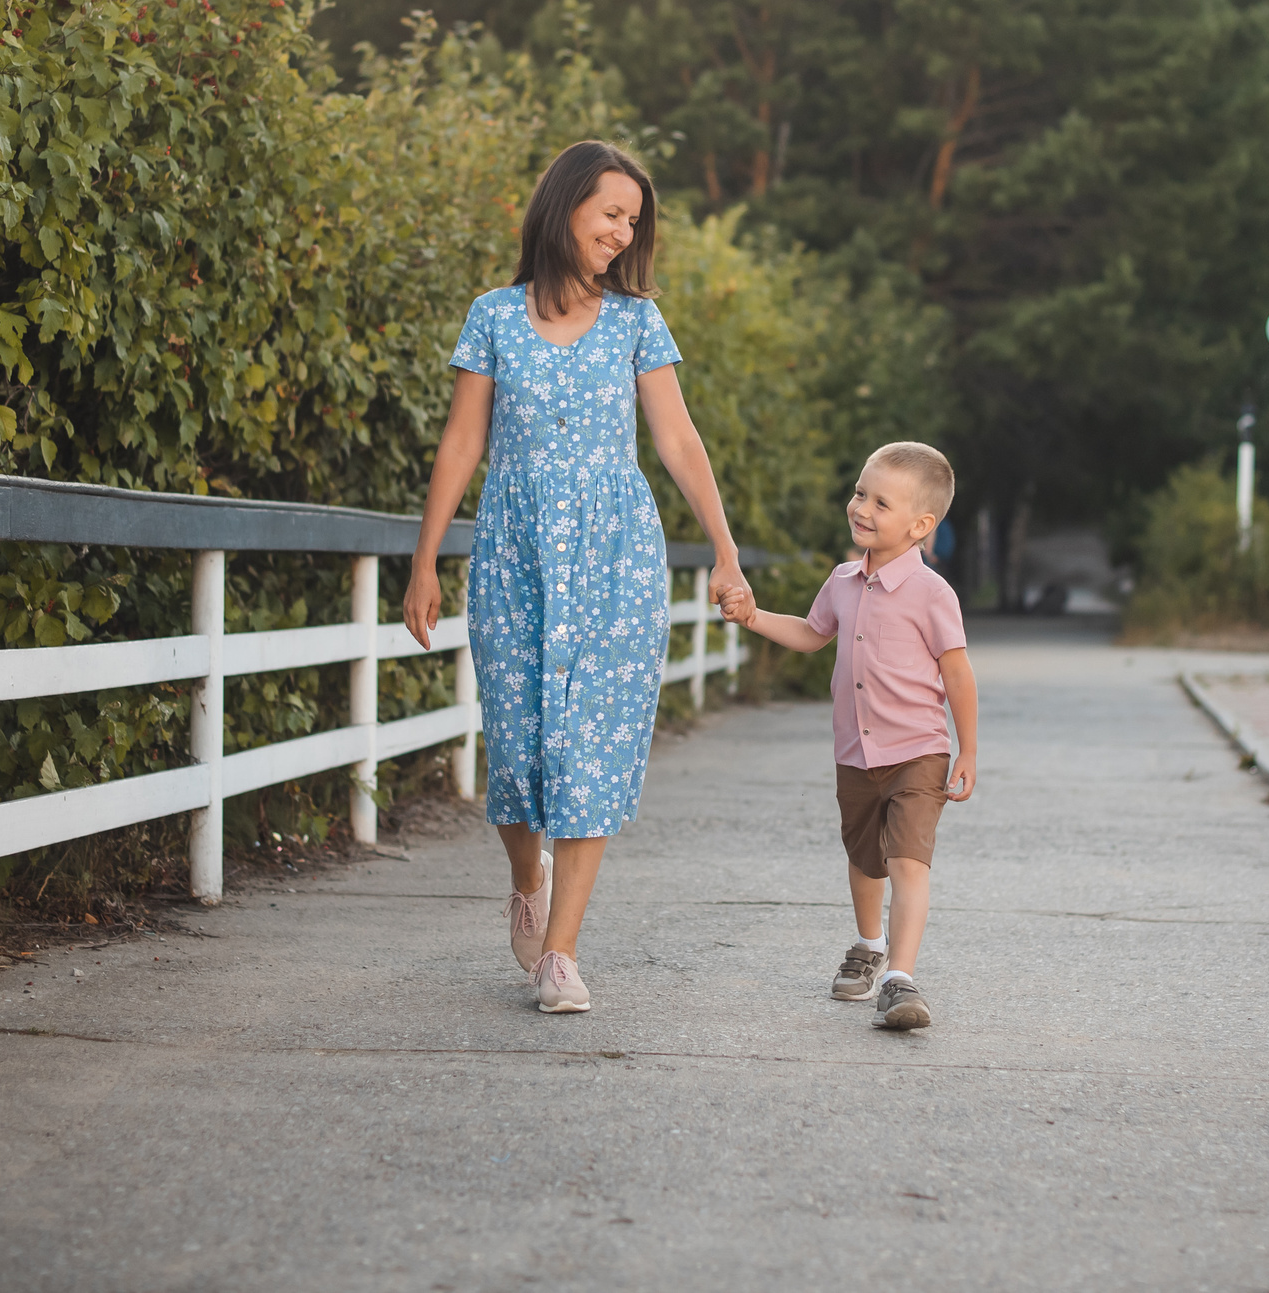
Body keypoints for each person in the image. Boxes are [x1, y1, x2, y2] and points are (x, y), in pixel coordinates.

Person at [403, 141, 751, 1015]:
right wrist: (424, 560)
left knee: (592, 743)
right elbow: (462, 443)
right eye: (611, 213)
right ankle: (529, 873)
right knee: (517, 746)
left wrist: (725, 546)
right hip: (513, 552)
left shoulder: (638, 319)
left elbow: (676, 439)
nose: (623, 232)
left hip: (616, 555)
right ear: (564, 209)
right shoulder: (493, 315)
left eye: (633, 220)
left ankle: (561, 952)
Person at [723, 442, 977, 1030]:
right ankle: (869, 945)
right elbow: (813, 634)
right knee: (866, 860)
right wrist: (753, 616)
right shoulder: (841, 582)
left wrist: (968, 748)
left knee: (909, 859)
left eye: (880, 502)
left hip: (919, 749)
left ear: (920, 526)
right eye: (860, 493)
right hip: (855, 752)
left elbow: (958, 675)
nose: (861, 507)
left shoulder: (933, 594)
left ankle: (900, 978)